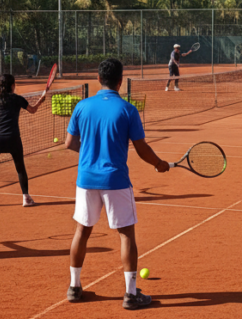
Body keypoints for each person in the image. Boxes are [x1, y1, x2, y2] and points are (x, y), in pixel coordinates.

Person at [64, 58, 169, 310]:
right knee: (126, 235)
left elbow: (69, 143)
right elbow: (141, 148)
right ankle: (130, 295)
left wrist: (91, 154)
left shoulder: (82, 106)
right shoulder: (127, 110)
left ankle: (74, 287)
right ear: (120, 82)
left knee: (82, 231)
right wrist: (158, 163)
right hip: (116, 181)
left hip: (86, 180)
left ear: (98, 79)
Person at [0, 74, 45, 208]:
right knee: (20, 168)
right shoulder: (18, 99)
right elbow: (32, 110)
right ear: (12, 86)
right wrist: (40, 101)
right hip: (13, 139)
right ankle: (26, 198)